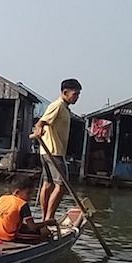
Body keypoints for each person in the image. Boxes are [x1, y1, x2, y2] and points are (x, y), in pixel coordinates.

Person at [32, 78, 81, 223]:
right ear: (65, 93)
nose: (77, 97)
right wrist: (39, 129)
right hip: (53, 152)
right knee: (61, 185)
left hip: (49, 151)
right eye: (75, 94)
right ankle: (48, 218)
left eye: (78, 95)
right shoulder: (57, 105)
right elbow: (41, 121)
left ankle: (45, 219)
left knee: (48, 184)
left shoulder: (64, 108)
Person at [0, 175, 57, 242]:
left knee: (25, 226)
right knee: (44, 232)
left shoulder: (3, 198)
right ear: (17, 192)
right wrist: (47, 222)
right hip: (9, 236)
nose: (30, 196)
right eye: (28, 193)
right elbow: (32, 227)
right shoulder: (22, 204)